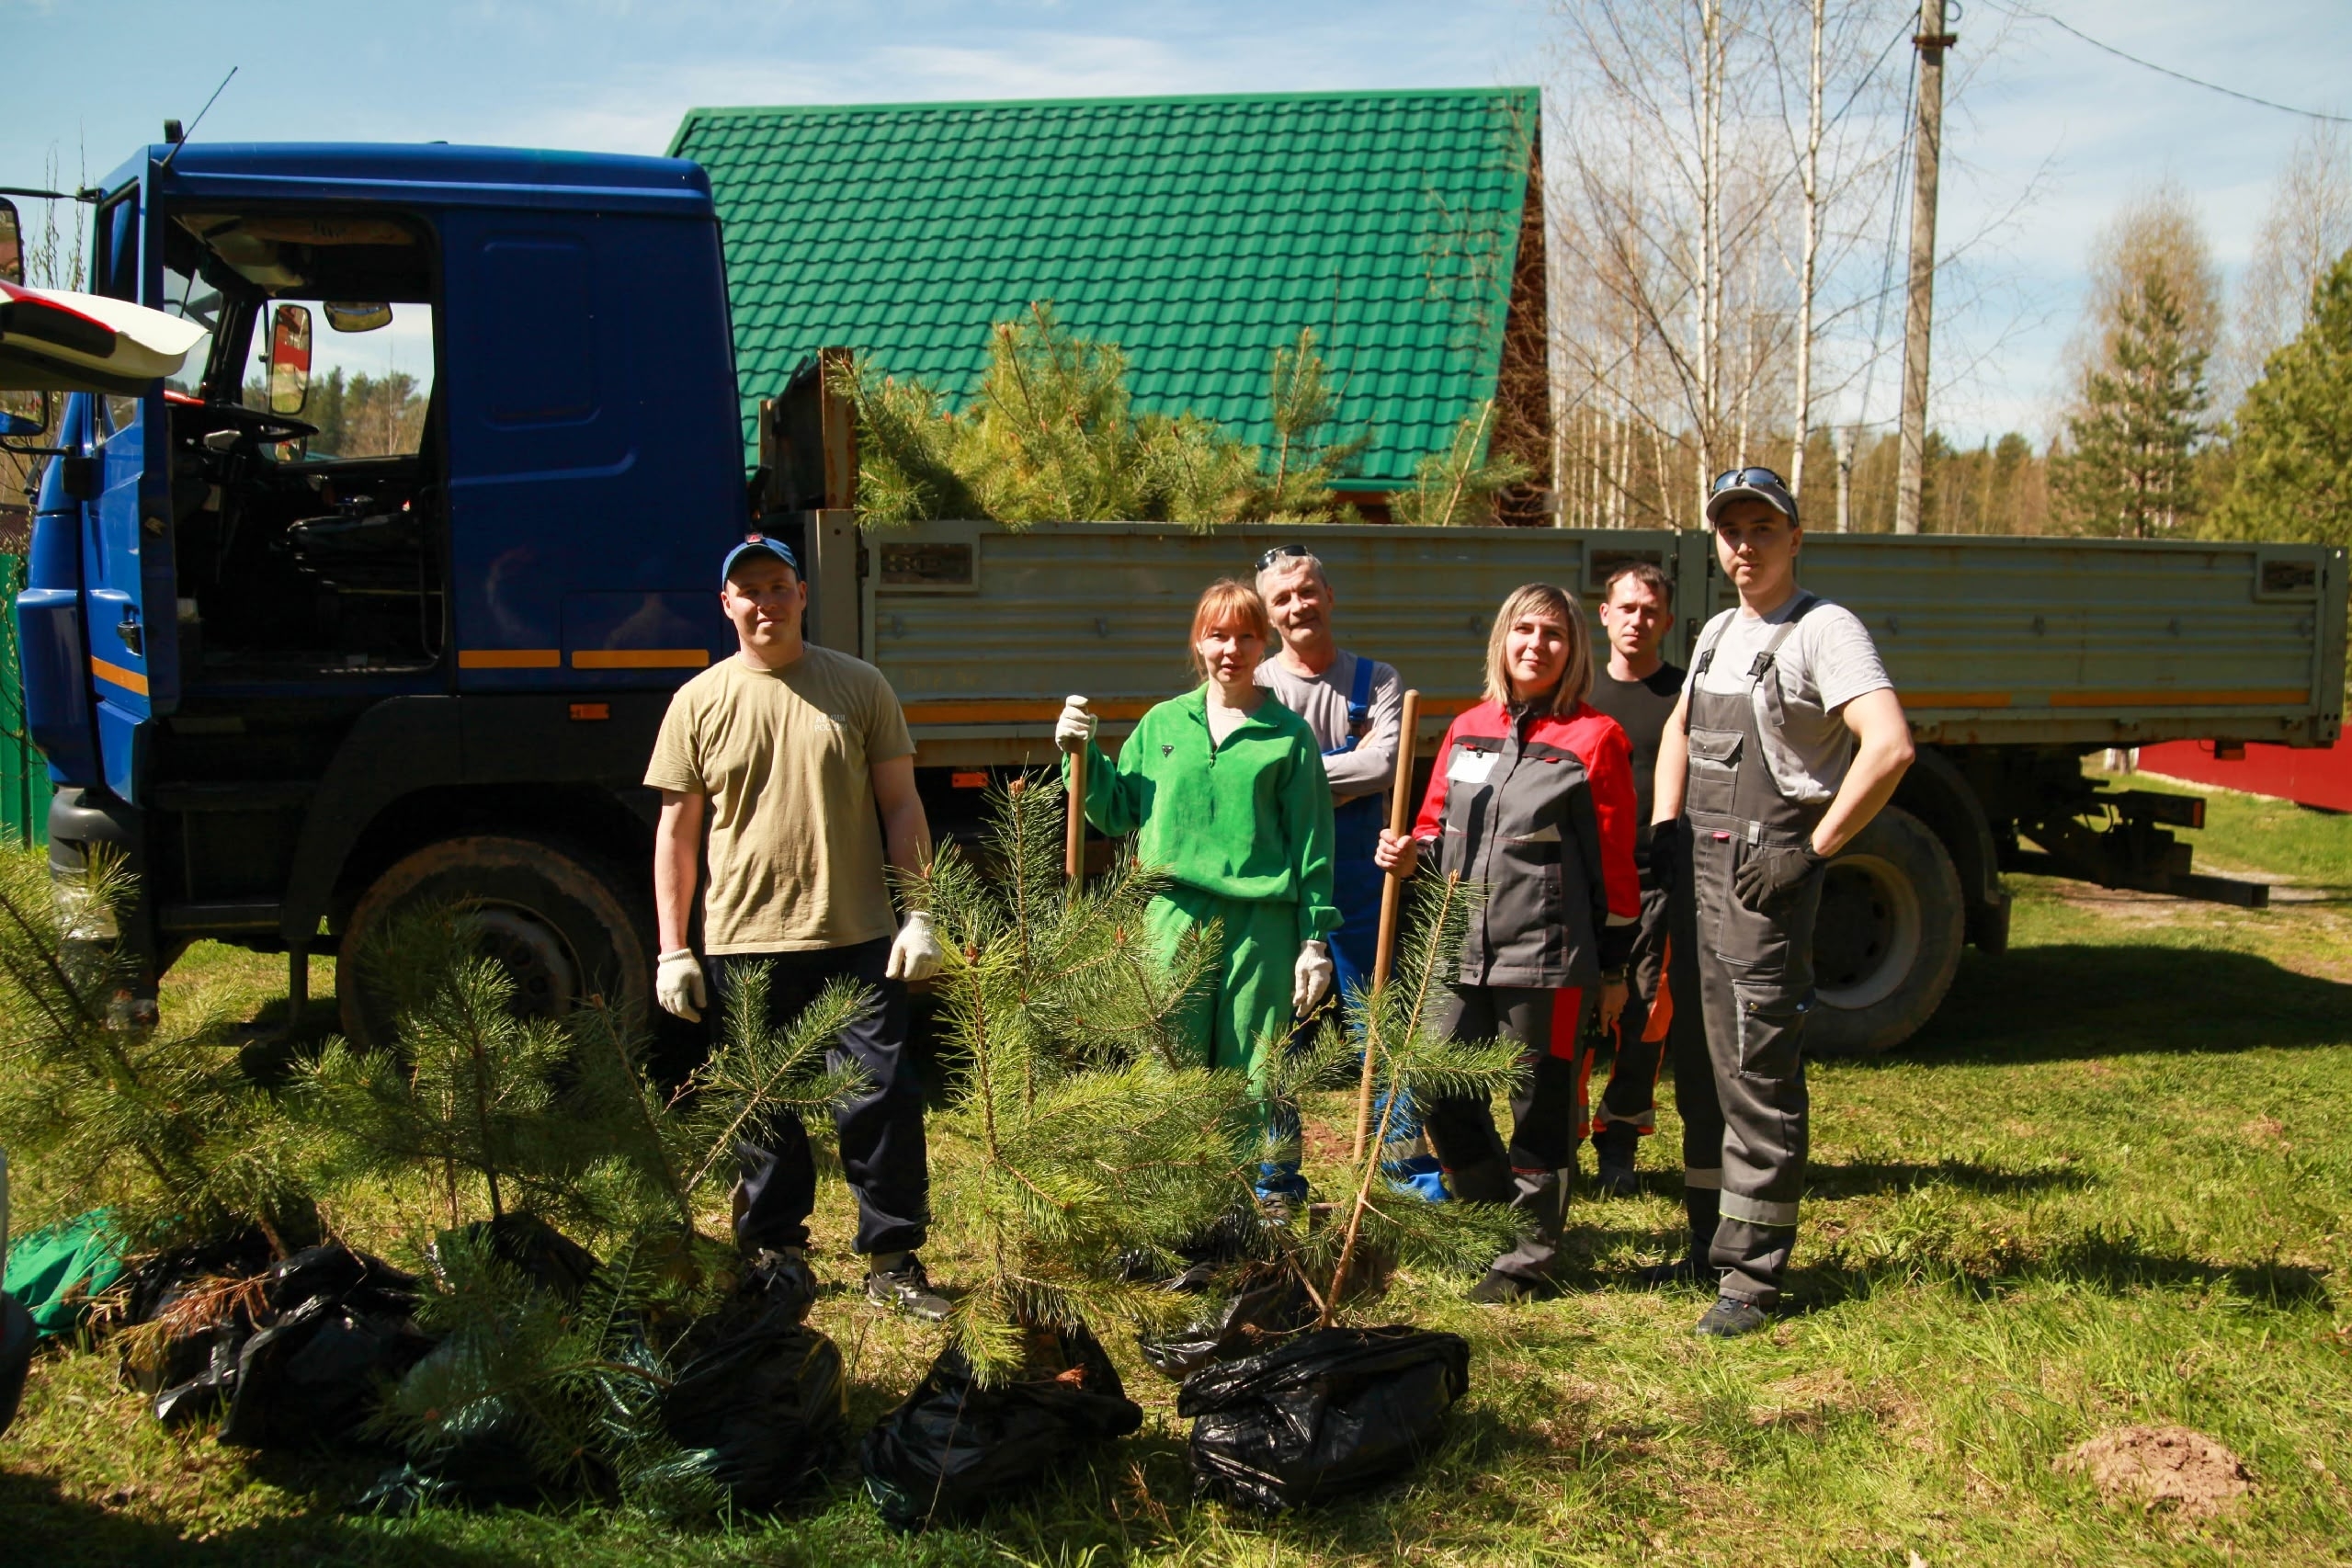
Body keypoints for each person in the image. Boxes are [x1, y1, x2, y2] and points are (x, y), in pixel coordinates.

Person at [645, 534, 952, 1321]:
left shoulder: (858, 686)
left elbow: (900, 805)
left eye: (777, 586)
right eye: (747, 590)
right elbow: (676, 833)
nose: (764, 602)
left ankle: (892, 1259)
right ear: (726, 605)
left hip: (854, 936)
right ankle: (777, 1256)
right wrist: (673, 948)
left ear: (802, 594)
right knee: (763, 1105)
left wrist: (919, 912)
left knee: (880, 1097)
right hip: (743, 940)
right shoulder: (698, 702)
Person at [1651, 468, 1914, 1337]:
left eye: (1762, 527)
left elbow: (1889, 747)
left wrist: (1814, 847)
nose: (1744, 545)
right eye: (1730, 529)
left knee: (1754, 1071)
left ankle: (1751, 1279)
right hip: (1696, 866)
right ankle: (1704, 1240)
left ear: (1795, 536)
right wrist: (1662, 827)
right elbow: (1676, 729)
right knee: (1697, 1064)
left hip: (1765, 875)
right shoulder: (1719, 629)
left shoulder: (1824, 629)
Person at [1373, 584, 1641, 1302]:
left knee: (1539, 1108)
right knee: (1436, 1085)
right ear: (1502, 640)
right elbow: (1434, 828)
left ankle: (1529, 1260)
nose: (1536, 645)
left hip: (1546, 958)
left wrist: (1615, 966)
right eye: (1523, 630)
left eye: (1552, 634)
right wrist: (1410, 853)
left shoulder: (1594, 739)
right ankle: (1490, 1225)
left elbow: (1615, 863)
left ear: (1573, 650)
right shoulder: (1465, 728)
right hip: (1455, 950)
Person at [1056, 579, 1338, 1205]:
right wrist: (1081, 753)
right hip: (1172, 914)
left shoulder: (1287, 735)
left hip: (1260, 924)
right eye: (1217, 634)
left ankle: (1247, 1207)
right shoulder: (1163, 723)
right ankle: (1170, 1204)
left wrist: (1313, 938)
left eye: (1244, 635)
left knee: (1254, 1074)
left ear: (1262, 642)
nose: (1230, 648)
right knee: (1167, 1059)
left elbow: (1312, 842)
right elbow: (1116, 811)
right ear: (1197, 641)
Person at [1251, 545, 1447, 1199]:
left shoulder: (1377, 680)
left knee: (1380, 1027)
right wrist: (1335, 777)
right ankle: (1274, 1179)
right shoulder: (1256, 685)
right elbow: (1256, 781)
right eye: (1282, 599)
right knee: (1275, 1034)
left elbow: (1384, 767)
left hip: (1362, 884)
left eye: (1306, 591)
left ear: (1328, 596)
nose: (1297, 605)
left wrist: (1293, 777)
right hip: (1280, 887)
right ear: (1268, 612)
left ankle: (1404, 1176)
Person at [1575, 561, 1692, 1199]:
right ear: (1604, 614)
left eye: (1649, 611)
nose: (1636, 620)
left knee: (1644, 1016)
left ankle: (1617, 1141)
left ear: (1665, 621)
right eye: (1626, 608)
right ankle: (1556, 1139)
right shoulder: (1579, 695)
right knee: (1572, 1015)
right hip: (1580, 886)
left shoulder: (1684, 695)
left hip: (1654, 883)